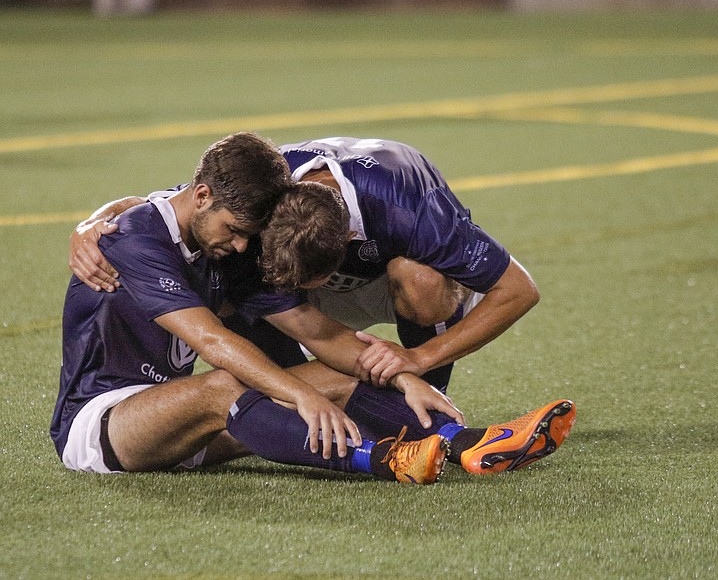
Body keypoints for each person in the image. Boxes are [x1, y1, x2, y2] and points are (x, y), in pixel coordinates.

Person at [66, 137, 576, 478]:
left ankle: (466, 441)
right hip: (102, 425)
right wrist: (300, 395)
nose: (244, 247)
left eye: (249, 235)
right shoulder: (134, 239)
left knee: (325, 378)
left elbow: (315, 328)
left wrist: (406, 373)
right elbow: (213, 343)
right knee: (232, 384)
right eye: (237, 232)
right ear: (201, 196)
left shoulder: (218, 239)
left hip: (179, 425)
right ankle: (387, 459)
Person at [71, 137, 540, 393]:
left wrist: (418, 358)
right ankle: (302, 401)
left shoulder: (410, 207)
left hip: (390, 279)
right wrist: (96, 220)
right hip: (314, 295)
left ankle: (428, 399)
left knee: (421, 281)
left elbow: (520, 290)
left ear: (349, 245)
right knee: (232, 280)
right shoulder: (270, 185)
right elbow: (178, 201)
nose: (239, 243)